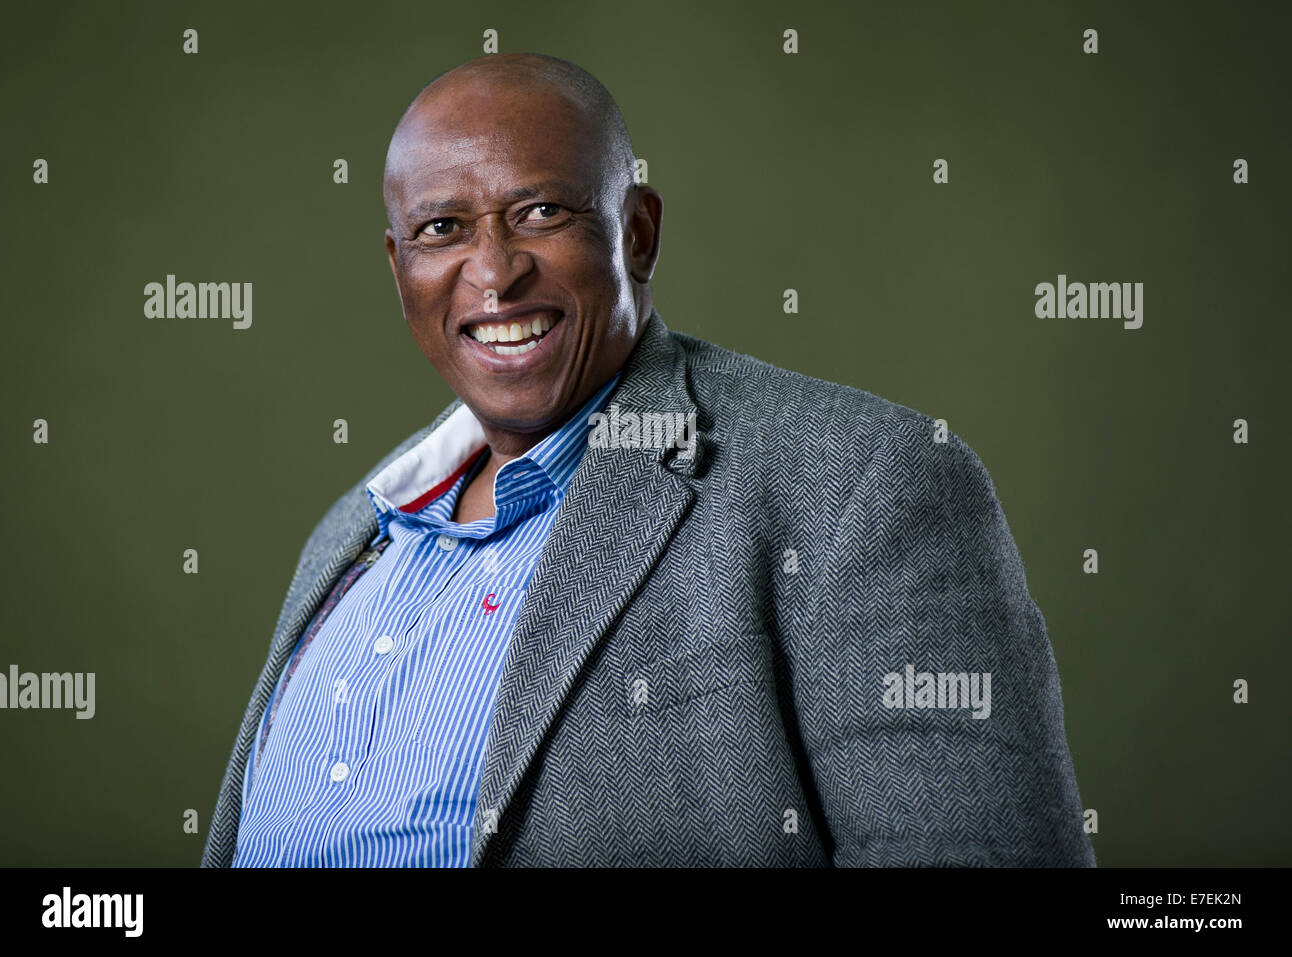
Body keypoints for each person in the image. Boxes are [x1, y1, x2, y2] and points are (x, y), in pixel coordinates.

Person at [202, 52, 1095, 867]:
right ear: (400, 270)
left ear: (637, 233)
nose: (495, 272)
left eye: (542, 212)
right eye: (442, 228)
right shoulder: (352, 535)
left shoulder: (863, 484)